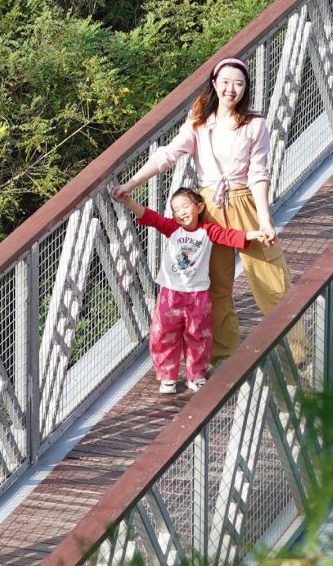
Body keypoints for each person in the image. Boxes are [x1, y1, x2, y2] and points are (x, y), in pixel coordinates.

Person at [112, 57, 292, 362]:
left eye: (238, 83)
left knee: (271, 277)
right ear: (214, 84)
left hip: (243, 200)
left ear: (246, 88)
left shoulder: (254, 124)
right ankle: (222, 354)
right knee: (215, 285)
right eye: (225, 82)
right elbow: (168, 155)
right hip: (208, 206)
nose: (230, 89)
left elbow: (259, 174)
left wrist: (264, 221)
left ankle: (296, 351)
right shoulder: (198, 122)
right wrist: (131, 184)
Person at [113, 185, 273, 393]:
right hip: (170, 293)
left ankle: (196, 375)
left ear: (199, 207)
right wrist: (128, 202)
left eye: (184, 207)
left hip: (198, 295)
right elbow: (150, 217)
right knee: (163, 334)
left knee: (199, 335)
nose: (181, 213)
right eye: (176, 210)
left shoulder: (208, 231)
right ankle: (167, 377)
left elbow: (230, 236)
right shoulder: (172, 228)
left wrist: (255, 234)